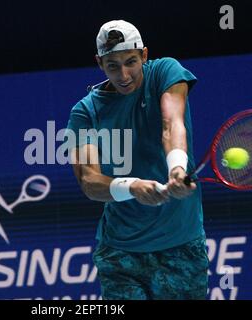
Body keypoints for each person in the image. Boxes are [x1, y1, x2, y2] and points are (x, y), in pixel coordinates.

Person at [66, 20, 208, 299]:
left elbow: (171, 123)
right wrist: (131, 186)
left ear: (144, 54)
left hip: (181, 246)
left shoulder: (166, 71)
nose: (124, 74)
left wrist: (177, 168)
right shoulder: (83, 113)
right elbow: (89, 181)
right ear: (99, 63)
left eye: (131, 61)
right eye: (112, 65)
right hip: (121, 256)